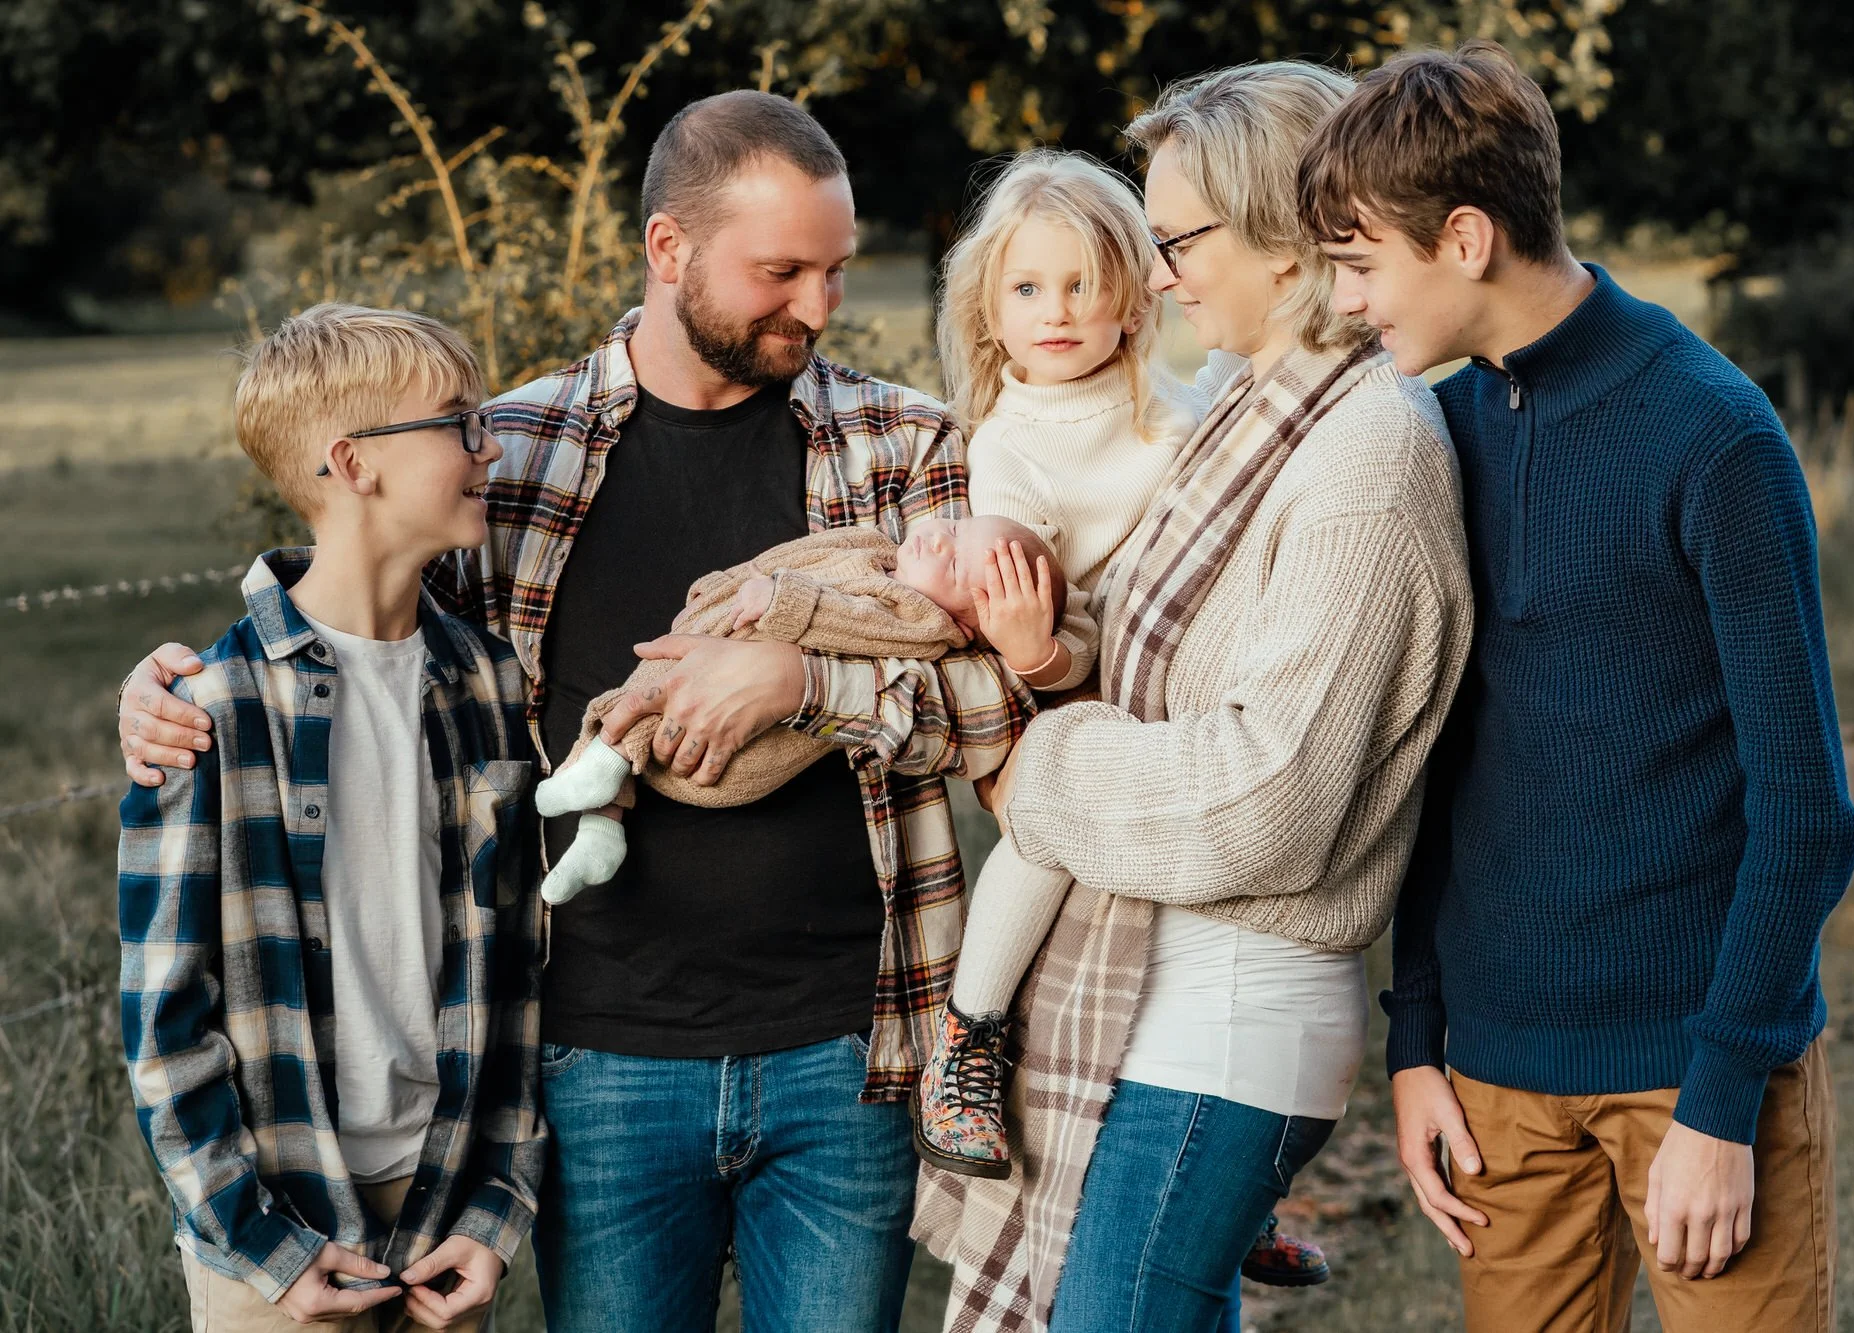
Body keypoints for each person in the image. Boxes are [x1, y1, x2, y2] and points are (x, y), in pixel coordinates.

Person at [115, 91, 1032, 1333]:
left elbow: (996, 703)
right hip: (594, 1060)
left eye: (833, 268)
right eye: (780, 271)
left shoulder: (904, 445)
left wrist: (809, 687)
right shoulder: (516, 450)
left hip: (845, 1052)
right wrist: (176, 685)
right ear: (668, 251)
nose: (817, 307)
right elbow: (358, 610)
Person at [1301, 41, 1854, 1333]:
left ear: (1465, 238)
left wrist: (1724, 1101)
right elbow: (1444, 759)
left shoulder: (1715, 440)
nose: (1345, 301)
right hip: (1498, 1083)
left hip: (1698, 1067)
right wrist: (1419, 1041)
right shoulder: (1436, 438)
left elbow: (1806, 813)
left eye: (1359, 261)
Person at [912, 62, 1474, 1333]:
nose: (1155, 277)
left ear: (1279, 237)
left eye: (1174, 242)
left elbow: (1264, 799)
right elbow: (1151, 650)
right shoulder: (1248, 415)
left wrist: (1035, 771)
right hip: (1160, 986)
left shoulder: (1366, 455)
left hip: (1231, 1008)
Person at [908, 145, 1331, 1290]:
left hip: (1183, 692)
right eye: (1028, 289)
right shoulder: (1008, 445)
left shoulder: (1176, 406)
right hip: (1076, 686)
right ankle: (969, 1035)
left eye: (1084, 283)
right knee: (1039, 847)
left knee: (1219, 949)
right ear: (988, 311)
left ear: (1138, 289)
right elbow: (1027, 613)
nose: (1058, 312)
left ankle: (1226, 1194)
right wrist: (1038, 653)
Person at [116, 304, 543, 1333]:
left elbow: (521, 966)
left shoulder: (485, 679)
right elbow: (162, 1014)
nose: (489, 446)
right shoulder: (211, 704)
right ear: (354, 463)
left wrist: (496, 1208)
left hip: (440, 1210)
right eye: (458, 422)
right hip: (274, 1231)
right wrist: (257, 1240)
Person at [532, 515, 1067, 904]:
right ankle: (601, 824)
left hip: (738, 762)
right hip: (604, 993)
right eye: (953, 525)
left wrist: (789, 660)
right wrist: (726, 586)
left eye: (951, 564)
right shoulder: (870, 545)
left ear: (970, 625)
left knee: (644, 702)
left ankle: (600, 774)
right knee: (644, 691)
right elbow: (778, 561)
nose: (936, 538)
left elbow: (855, 622)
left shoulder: (922, 621)